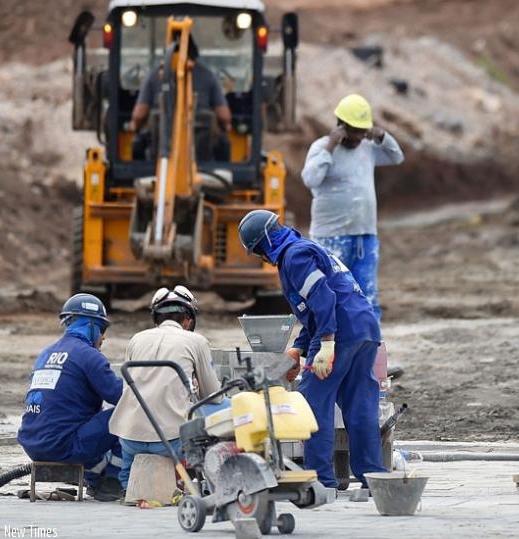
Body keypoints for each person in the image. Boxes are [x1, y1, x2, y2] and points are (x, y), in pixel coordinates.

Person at [237, 209, 387, 489]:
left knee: (311, 402)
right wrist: (298, 348)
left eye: (259, 252)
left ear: (265, 244)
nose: (262, 259)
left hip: (339, 332)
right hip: (364, 328)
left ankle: (320, 481)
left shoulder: (294, 257)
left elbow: (324, 299)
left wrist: (327, 344)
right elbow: (313, 310)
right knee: (359, 404)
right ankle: (374, 477)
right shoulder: (304, 248)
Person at [108, 286, 224, 491]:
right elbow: (213, 395)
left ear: (155, 317)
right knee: (226, 410)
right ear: (187, 319)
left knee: (129, 481)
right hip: (172, 442)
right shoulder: (196, 341)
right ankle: (214, 480)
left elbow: (129, 389)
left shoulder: (136, 339)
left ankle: (128, 484)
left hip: (130, 439)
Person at [300, 93, 404, 322]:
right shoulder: (321, 148)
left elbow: (396, 157)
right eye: (354, 130)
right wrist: (330, 146)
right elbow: (311, 179)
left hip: (364, 237)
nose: (358, 137)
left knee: (366, 298)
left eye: (362, 131)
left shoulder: (367, 148)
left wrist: (382, 136)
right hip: (330, 238)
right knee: (330, 297)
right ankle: (330, 350)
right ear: (341, 126)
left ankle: (368, 350)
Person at [17, 293, 124, 502]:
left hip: (33, 444)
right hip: (63, 447)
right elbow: (121, 397)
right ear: (91, 326)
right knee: (125, 415)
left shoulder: (45, 354)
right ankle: (111, 483)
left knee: (83, 423)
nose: (104, 338)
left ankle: (93, 478)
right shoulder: (90, 356)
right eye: (102, 330)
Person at [129, 34, 231, 161]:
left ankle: (137, 172)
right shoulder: (208, 76)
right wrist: (224, 126)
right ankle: (221, 169)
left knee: (138, 142)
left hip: (160, 156)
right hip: (202, 156)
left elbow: (139, 114)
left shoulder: (154, 76)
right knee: (224, 143)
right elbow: (224, 116)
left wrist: (135, 125)